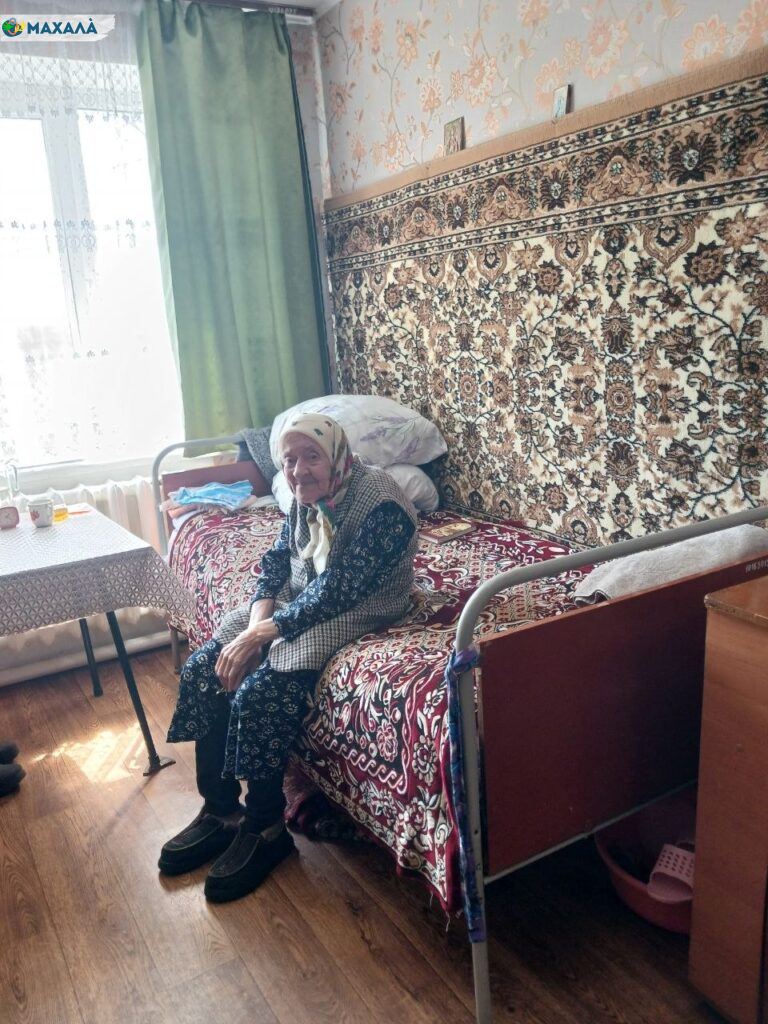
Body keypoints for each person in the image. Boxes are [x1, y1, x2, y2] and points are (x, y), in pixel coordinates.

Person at [159, 413, 418, 902]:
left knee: (262, 692)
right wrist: (255, 625)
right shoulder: (306, 493)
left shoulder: (382, 504)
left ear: (336, 455)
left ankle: (266, 826)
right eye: (289, 460)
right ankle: (221, 811)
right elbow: (277, 561)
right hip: (300, 598)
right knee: (204, 669)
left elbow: (341, 589)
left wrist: (262, 636)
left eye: (311, 456)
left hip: (360, 607)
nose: (298, 470)